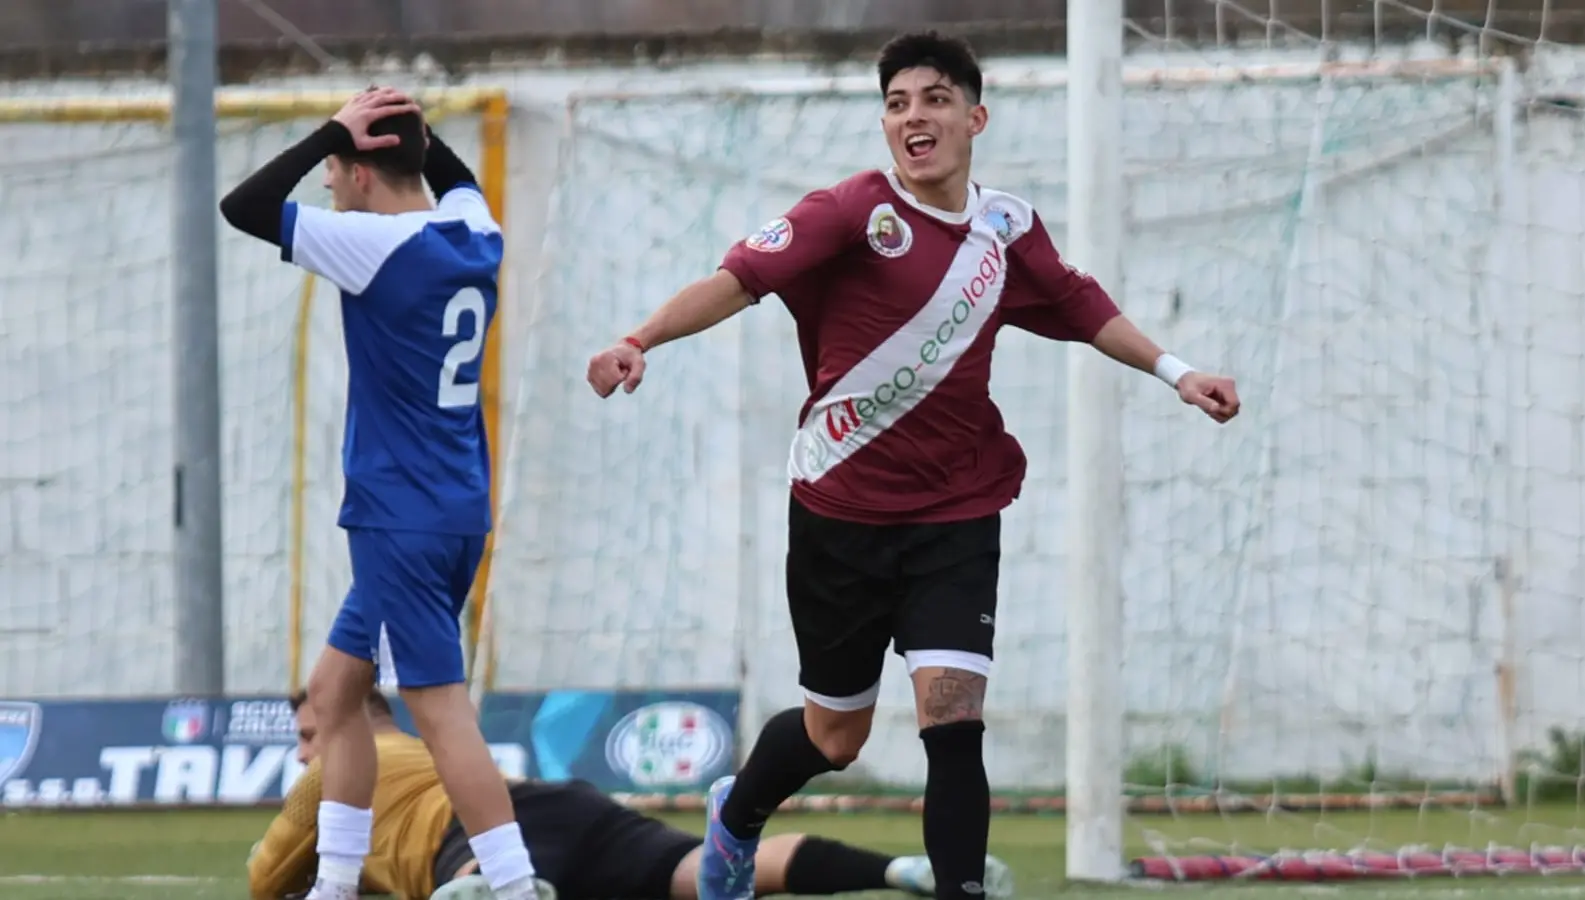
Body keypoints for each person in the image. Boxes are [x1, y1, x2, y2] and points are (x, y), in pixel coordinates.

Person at [584, 31, 1241, 900]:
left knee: (954, 716)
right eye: (896, 103)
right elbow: (739, 278)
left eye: (932, 99)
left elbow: (1081, 306)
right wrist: (638, 339)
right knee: (833, 739)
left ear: (975, 116)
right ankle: (737, 816)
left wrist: (1177, 371)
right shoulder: (851, 210)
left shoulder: (1007, 228)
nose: (913, 117)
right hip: (839, 510)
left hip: (956, 511)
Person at [220, 87, 539, 900]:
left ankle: (514, 883)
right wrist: (403, 131)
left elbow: (244, 205)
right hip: (451, 506)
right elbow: (453, 173)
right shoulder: (475, 229)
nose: (326, 182)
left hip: (399, 514)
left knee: (436, 709)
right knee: (333, 696)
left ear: (360, 172)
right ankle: (334, 887)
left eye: (332, 167)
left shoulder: (373, 243)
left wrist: (335, 129)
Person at [247, 689, 1015, 900]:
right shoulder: (425, 743)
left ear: (348, 721)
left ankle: (481, 888)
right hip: (569, 807)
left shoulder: (331, 774)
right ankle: (899, 872)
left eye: (311, 733)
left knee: (479, 878)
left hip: (489, 839)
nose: (308, 750)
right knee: (700, 873)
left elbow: (263, 878)